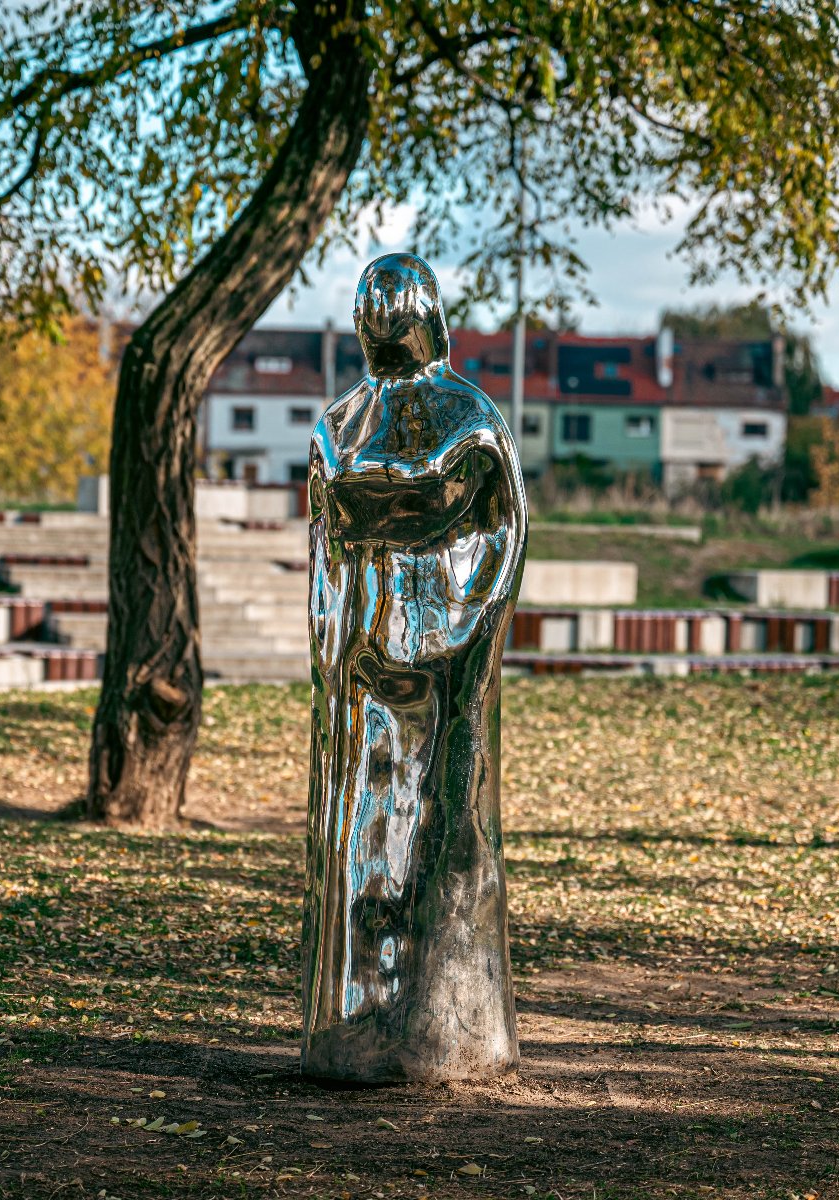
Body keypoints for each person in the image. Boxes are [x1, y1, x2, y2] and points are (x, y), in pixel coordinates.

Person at [300, 253, 528, 1083]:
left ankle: (443, 1027)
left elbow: (505, 530)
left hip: (446, 650)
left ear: (426, 314)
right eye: (372, 306)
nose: (382, 318)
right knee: (362, 825)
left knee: (442, 823)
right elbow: (323, 541)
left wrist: (475, 628)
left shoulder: (469, 414)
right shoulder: (340, 421)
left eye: (395, 305)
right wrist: (330, 639)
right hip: (360, 650)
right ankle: (355, 1019)